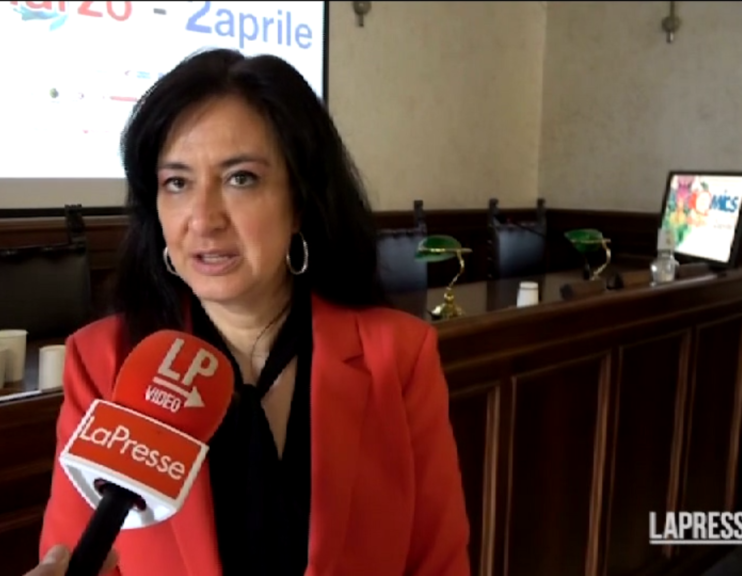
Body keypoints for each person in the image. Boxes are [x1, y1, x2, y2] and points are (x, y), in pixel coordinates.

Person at [35, 48, 471, 576]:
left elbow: (438, 562)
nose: (203, 219)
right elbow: (74, 556)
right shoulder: (102, 362)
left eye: (240, 178)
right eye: (177, 183)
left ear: (300, 202)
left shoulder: (397, 356)